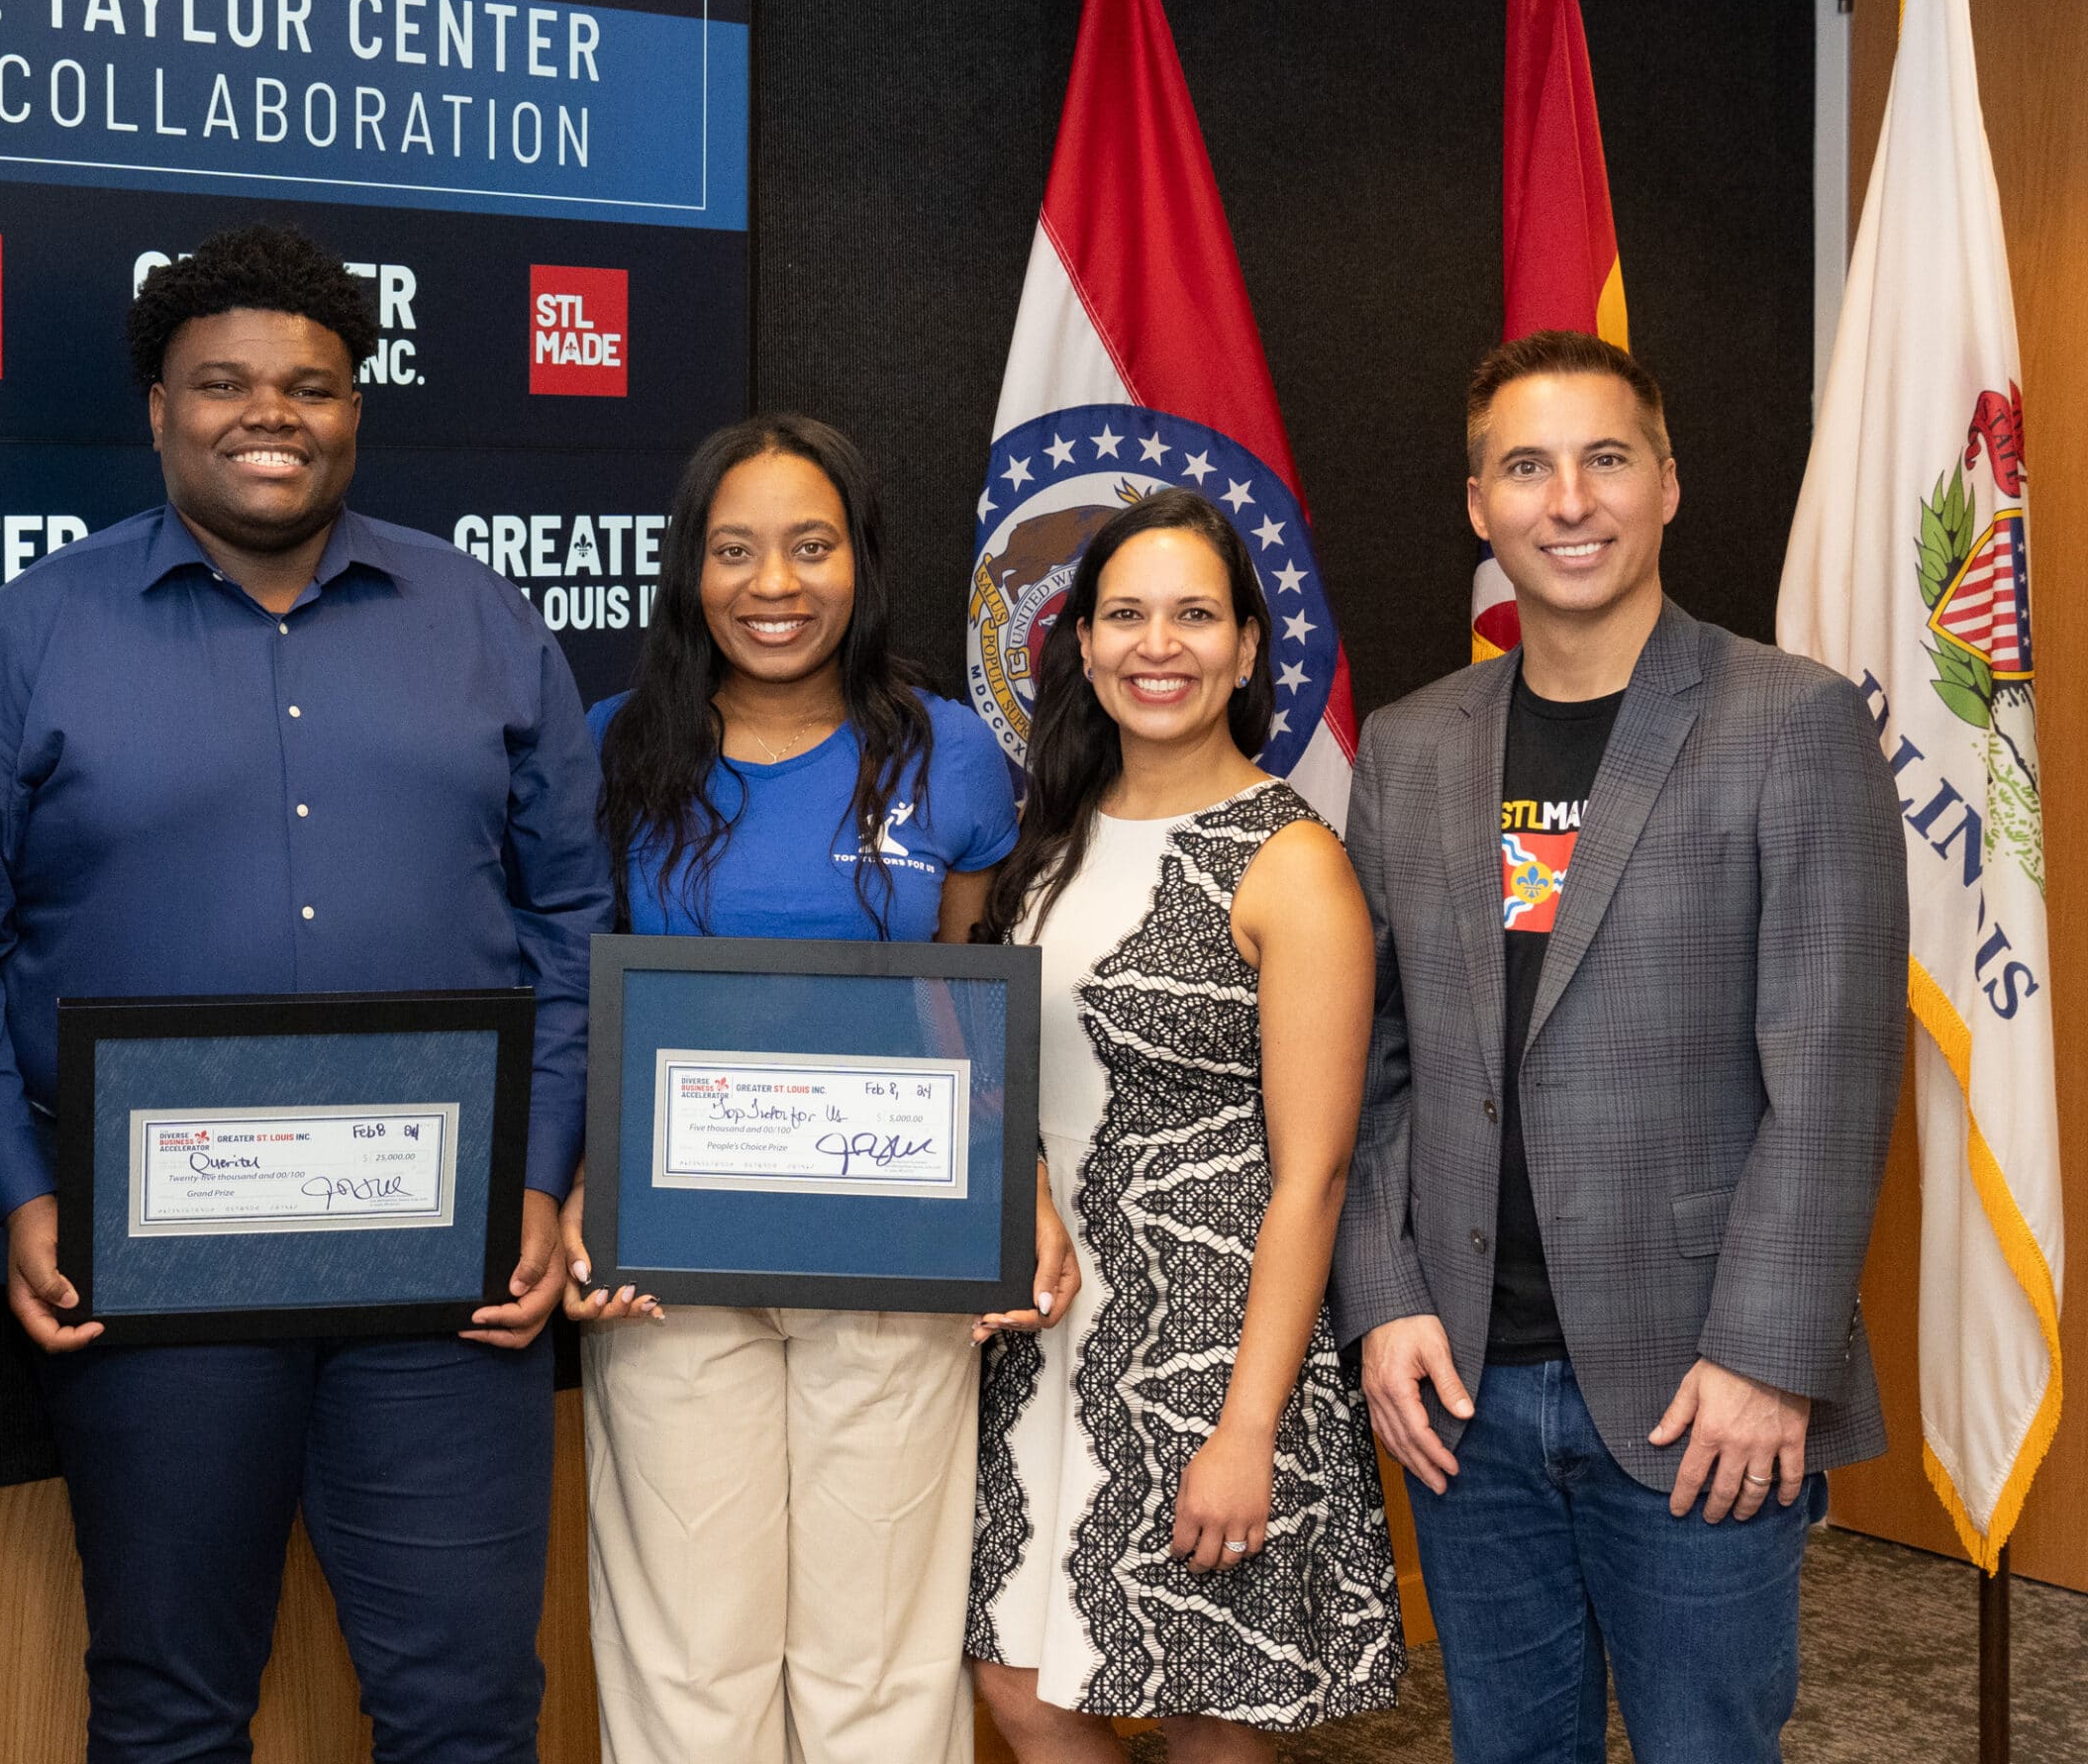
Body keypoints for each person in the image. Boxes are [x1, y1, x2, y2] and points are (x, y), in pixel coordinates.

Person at [0, 222, 607, 1764]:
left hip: (453, 1269)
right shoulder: (28, 640)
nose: (267, 413)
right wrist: (20, 1192)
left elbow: (568, 919)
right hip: (149, 1269)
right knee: (167, 1708)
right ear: (158, 406)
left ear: (357, 407)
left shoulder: (485, 624)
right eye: (222, 383)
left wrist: (542, 1176)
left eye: (311, 384)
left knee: (469, 1707)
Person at [1331, 331, 1908, 1764]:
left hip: (1704, 1382)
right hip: (1464, 1382)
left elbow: (1833, 1073)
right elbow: (1376, 1052)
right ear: (1479, 506)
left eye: (1605, 459)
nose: (1568, 500)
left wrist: (1772, 1355)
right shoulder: (1412, 747)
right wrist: (1385, 1295)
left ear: (1667, 486)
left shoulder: (1795, 722)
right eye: (1526, 466)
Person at [561, 415, 1075, 1764]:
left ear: (861, 563)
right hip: (669, 1270)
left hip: (895, 1255)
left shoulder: (950, 754)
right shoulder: (611, 750)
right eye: (735, 551)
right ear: (689, 572)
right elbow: (575, 998)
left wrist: (1011, 1182)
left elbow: (969, 992)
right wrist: (574, 1194)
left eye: (809, 546)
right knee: (690, 1658)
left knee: (880, 1662)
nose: (773, 585)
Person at [965, 492, 1404, 1763]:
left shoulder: (1290, 862)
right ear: (1085, 646)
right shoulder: (1044, 840)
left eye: (1196, 615)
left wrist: (1249, 1428)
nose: (1160, 646)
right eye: (1127, 616)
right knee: (1020, 1686)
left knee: (1217, 1719)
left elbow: (1313, 1178)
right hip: (1040, 1348)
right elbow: (1009, 1078)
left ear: (1250, 647)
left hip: (1212, 1356)